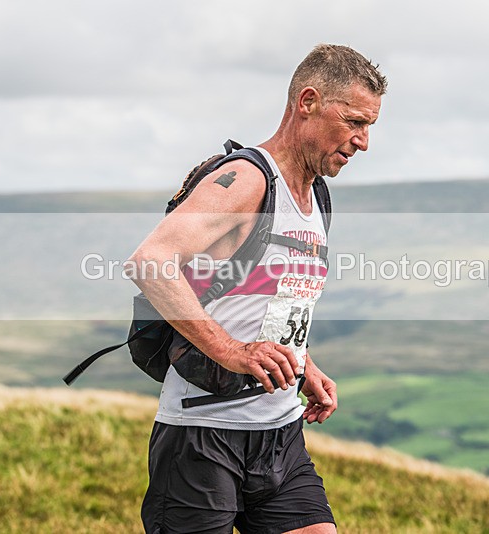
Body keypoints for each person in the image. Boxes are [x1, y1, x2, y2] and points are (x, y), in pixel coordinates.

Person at [130, 43, 386, 534]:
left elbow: (265, 295)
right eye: (355, 121)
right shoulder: (247, 179)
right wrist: (233, 352)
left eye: (370, 125)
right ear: (307, 101)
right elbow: (151, 261)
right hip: (202, 437)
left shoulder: (315, 196)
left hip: (280, 436)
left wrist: (302, 365)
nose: (364, 141)